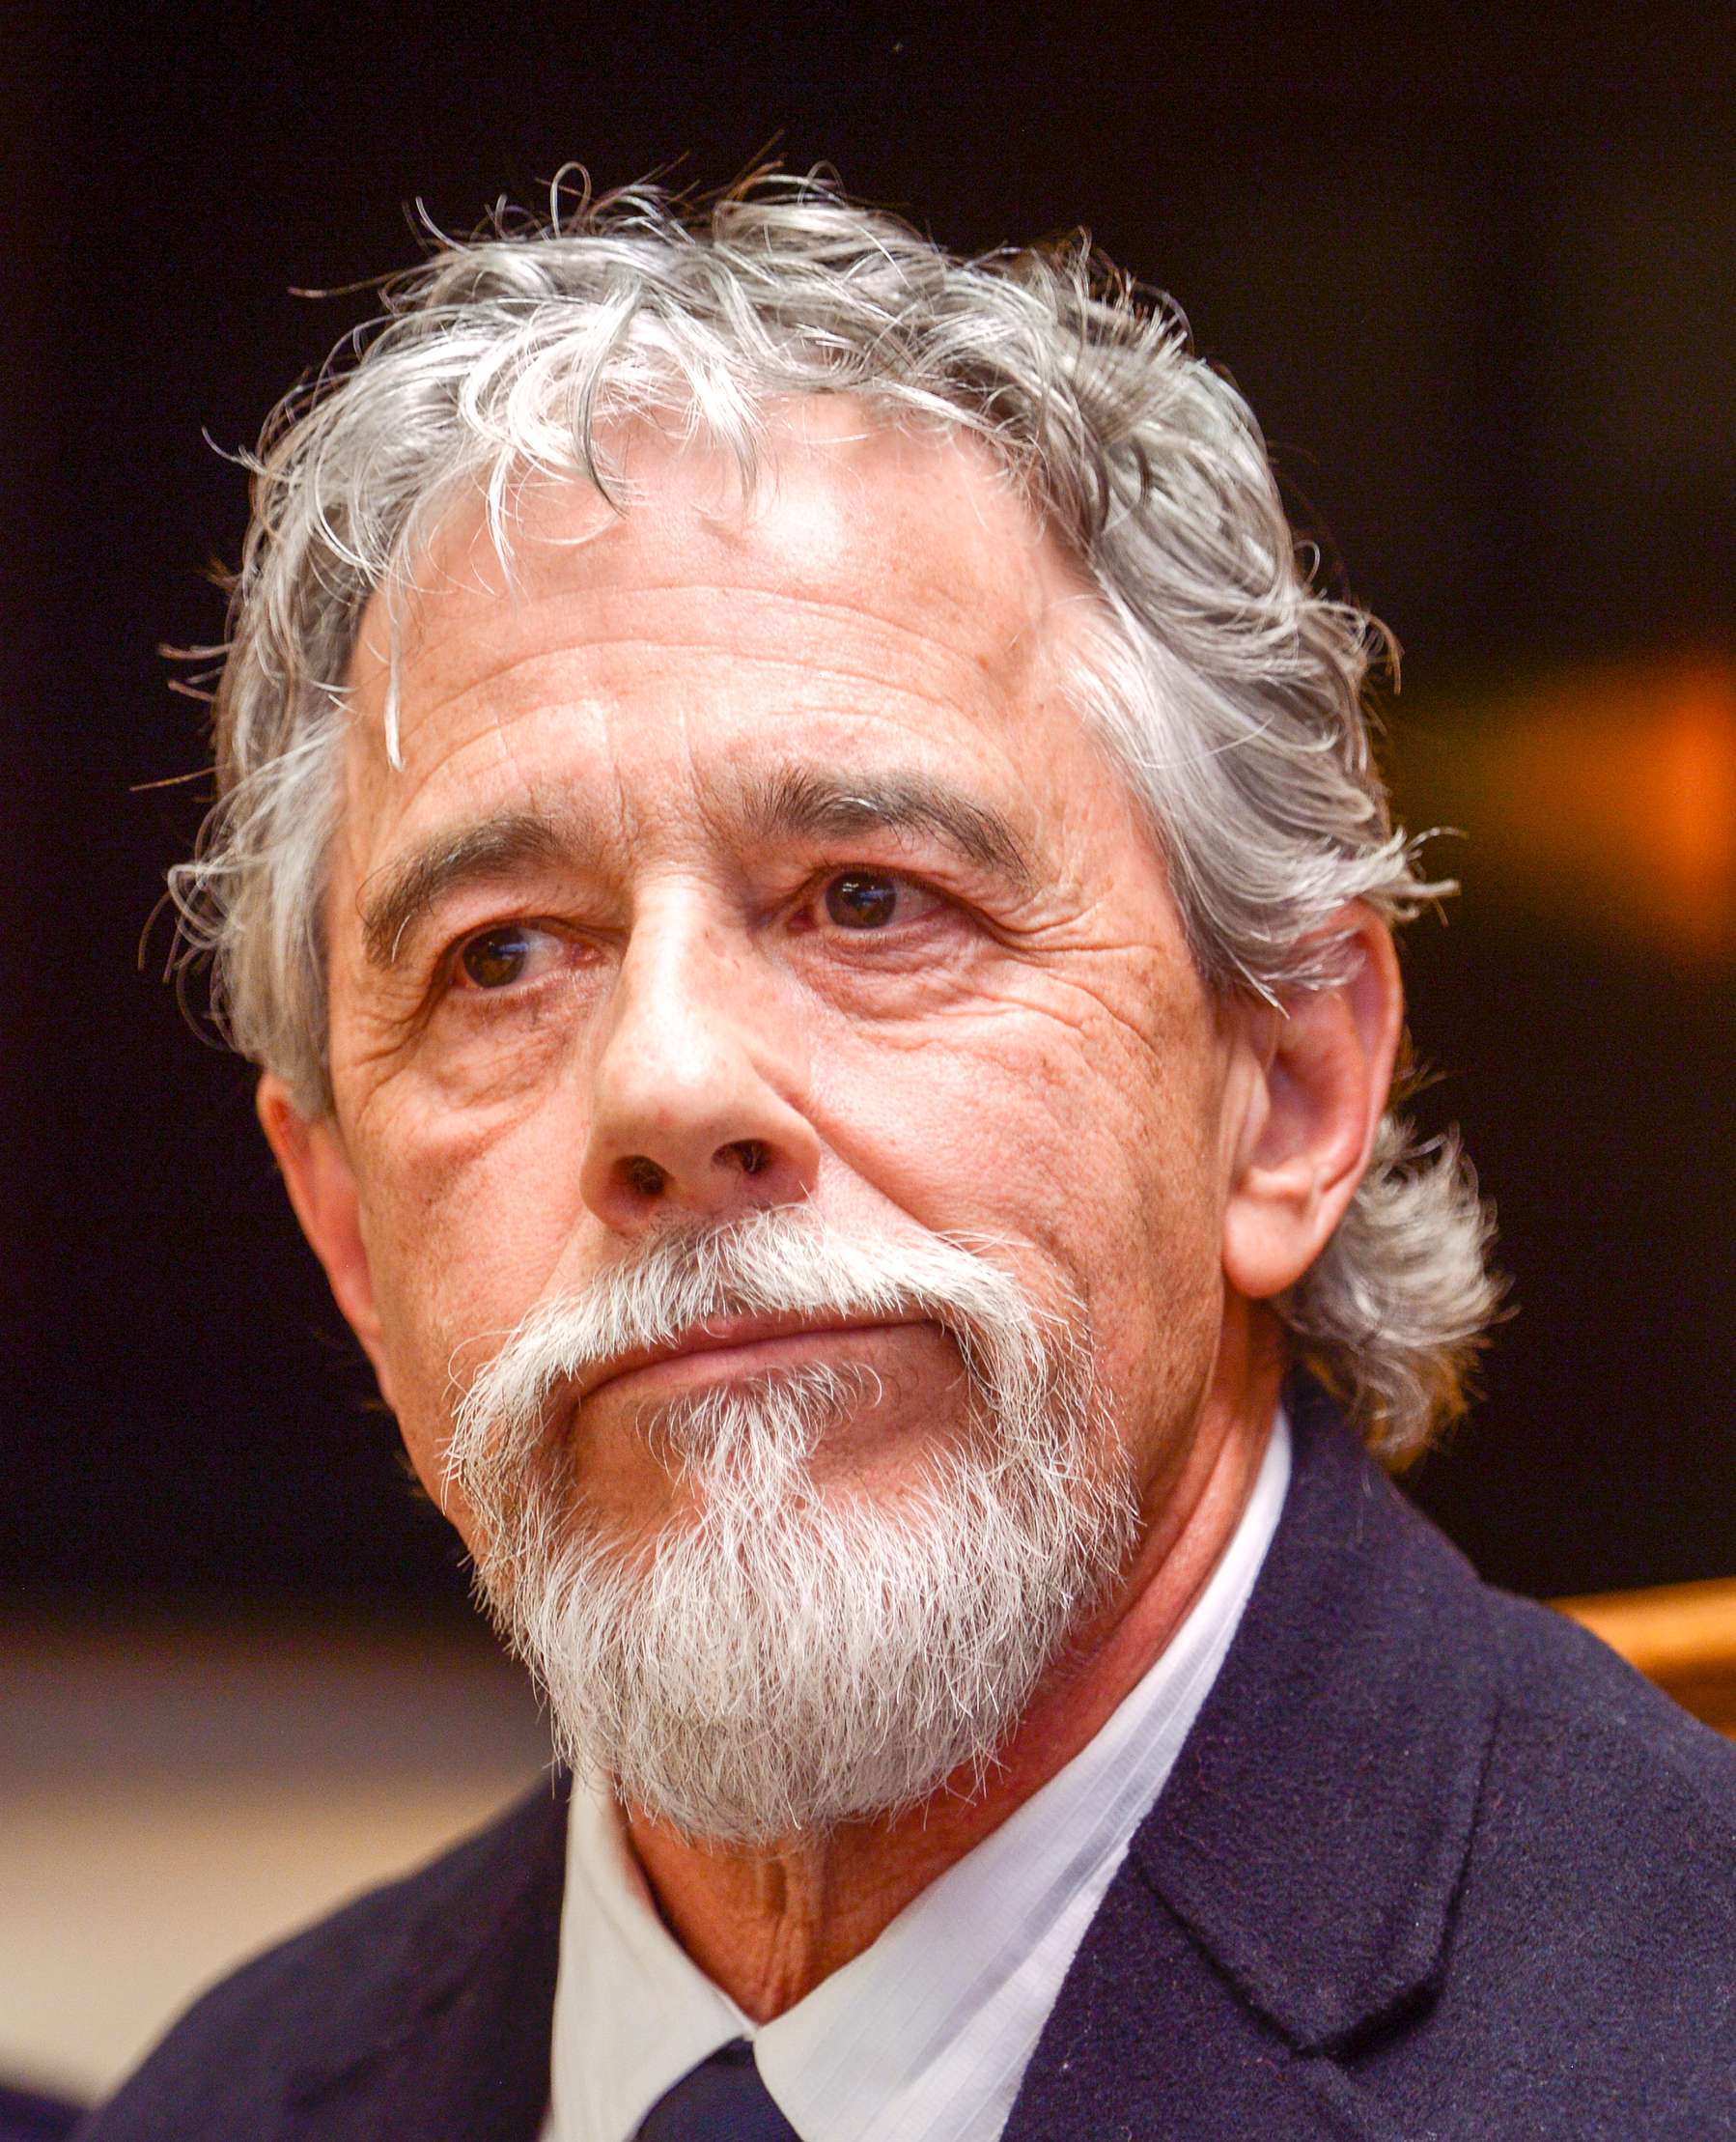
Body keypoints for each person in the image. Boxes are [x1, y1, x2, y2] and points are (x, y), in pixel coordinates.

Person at [80, 176, 1734, 2141]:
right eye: (500, 956)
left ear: (1287, 1090)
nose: (666, 1081)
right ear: (348, 1229)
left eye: (868, 896)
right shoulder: (223, 2105)